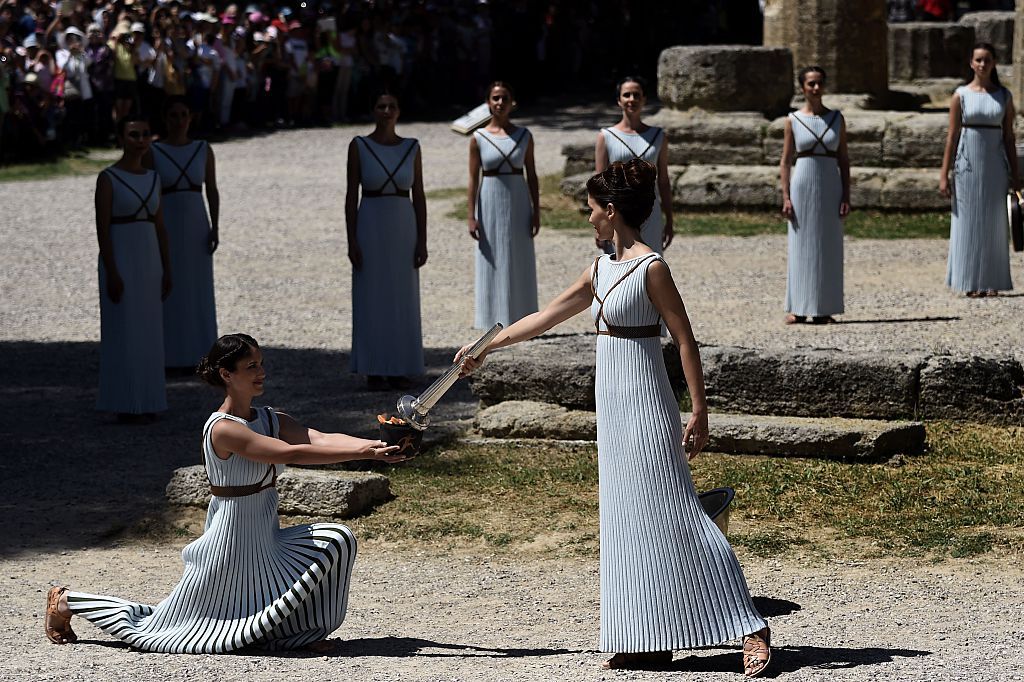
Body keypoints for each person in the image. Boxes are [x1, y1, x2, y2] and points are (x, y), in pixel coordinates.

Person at [455, 159, 772, 677]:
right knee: (627, 518)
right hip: (614, 406)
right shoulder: (599, 268)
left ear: (612, 211)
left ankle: (748, 624)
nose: (588, 219)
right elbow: (545, 316)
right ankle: (648, 634)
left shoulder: (653, 268)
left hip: (647, 402)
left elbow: (685, 340)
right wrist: (487, 346)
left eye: (592, 211)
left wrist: (698, 410)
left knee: (678, 512)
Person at [44, 333, 406, 652]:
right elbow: (289, 453)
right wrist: (364, 453)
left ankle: (298, 634)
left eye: (261, 363)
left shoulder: (269, 417)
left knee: (336, 540)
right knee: (160, 629)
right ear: (226, 374)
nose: (260, 372)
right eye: (250, 366)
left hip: (266, 534)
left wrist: (378, 443)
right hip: (230, 540)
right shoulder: (222, 429)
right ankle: (67, 601)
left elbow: (317, 437)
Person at [346, 90, 427, 391]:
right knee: (372, 295)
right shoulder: (359, 146)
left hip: (402, 225)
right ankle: (374, 368)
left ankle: (400, 367)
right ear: (373, 110)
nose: (386, 111)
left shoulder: (411, 147)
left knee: (401, 296)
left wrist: (422, 240)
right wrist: (352, 240)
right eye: (381, 106)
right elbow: (350, 194)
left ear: (399, 111)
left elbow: (418, 195)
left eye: (392, 106)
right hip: (370, 221)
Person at [95, 115, 172, 422]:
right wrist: (112, 270)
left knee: (150, 330)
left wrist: (168, 268)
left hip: (149, 258)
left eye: (144, 134)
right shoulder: (108, 178)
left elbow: (161, 226)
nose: (140, 140)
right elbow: (102, 228)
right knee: (123, 330)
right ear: (122, 139)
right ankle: (125, 401)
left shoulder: (154, 178)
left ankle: (150, 399)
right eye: (133, 134)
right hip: (122, 258)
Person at [939, 42, 1017, 297]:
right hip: (967, 164)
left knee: (994, 222)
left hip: (994, 163)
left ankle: (992, 280)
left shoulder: (1004, 96)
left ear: (993, 63)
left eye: (987, 60)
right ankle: (969, 280)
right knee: (968, 221)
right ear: (971, 63)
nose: (982, 65)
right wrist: (944, 174)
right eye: (978, 60)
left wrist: (1016, 173)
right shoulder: (960, 95)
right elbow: (952, 136)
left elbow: (1009, 137)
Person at [148, 96, 219, 372]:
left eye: (183, 115)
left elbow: (211, 188)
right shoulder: (154, 151)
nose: (179, 121)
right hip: (168, 221)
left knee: (198, 287)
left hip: (196, 221)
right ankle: (169, 354)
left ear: (191, 118)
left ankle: (201, 355)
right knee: (170, 285)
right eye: (173, 115)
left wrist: (215, 225)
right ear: (165, 119)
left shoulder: (203, 149)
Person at [779, 65, 850, 324]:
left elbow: (844, 159)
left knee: (828, 246)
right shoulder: (793, 120)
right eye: (811, 84)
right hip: (803, 183)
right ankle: (797, 307)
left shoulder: (836, 119)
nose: (816, 88)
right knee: (801, 245)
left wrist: (846, 195)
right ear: (802, 88)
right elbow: (786, 161)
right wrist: (786, 196)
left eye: (819, 83)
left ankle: (823, 308)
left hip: (830, 184)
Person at [467, 81, 539, 329]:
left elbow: (532, 174)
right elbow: (472, 178)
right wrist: (470, 215)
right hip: (489, 197)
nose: (500, 103)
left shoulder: (524, 136)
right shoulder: (479, 138)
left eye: (504, 98)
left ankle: (523, 315)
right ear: (488, 103)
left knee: (518, 253)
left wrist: (536, 210)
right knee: (492, 255)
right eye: (495, 98)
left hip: (518, 199)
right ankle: (490, 316)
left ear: (512, 103)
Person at [594, 75, 673, 253]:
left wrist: (669, 220)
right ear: (619, 100)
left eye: (636, 95)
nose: (632, 99)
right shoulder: (606, 136)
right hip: (618, 213)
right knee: (618, 268)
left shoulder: (658, 136)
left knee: (651, 267)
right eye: (627, 95)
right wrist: (601, 221)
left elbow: (664, 181)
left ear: (644, 99)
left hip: (651, 213)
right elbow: (600, 185)